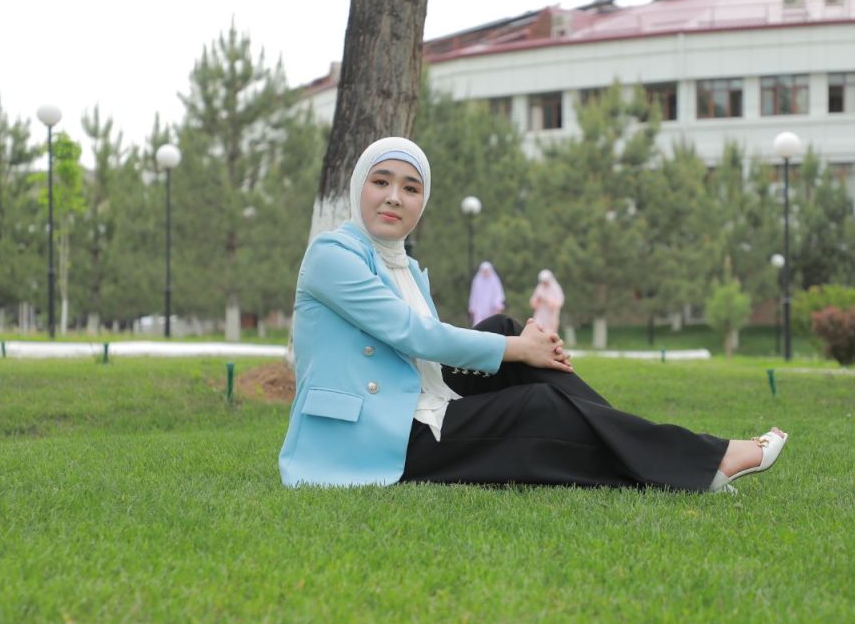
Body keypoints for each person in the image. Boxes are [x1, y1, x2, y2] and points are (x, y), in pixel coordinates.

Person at [278, 137, 787, 493]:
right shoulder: (332, 255)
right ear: (357, 189)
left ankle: (641, 440)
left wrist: (515, 344)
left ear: (422, 202)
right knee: (536, 404)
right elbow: (413, 334)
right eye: (381, 181)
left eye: (410, 188)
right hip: (376, 435)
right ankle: (703, 458)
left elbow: (425, 351)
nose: (394, 197)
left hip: (411, 401)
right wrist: (517, 349)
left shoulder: (404, 265)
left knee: (505, 329)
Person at [468, 261, 505, 326]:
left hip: (492, 309)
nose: (485, 273)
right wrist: (472, 307)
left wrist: (497, 306)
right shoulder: (477, 280)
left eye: (487, 271)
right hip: (479, 310)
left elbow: (498, 294)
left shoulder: (494, 280)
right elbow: (474, 295)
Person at [529, 269, 564, 334]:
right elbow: (533, 302)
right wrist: (537, 300)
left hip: (551, 316)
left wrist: (546, 300)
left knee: (550, 332)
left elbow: (558, 303)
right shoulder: (539, 288)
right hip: (540, 315)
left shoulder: (555, 288)